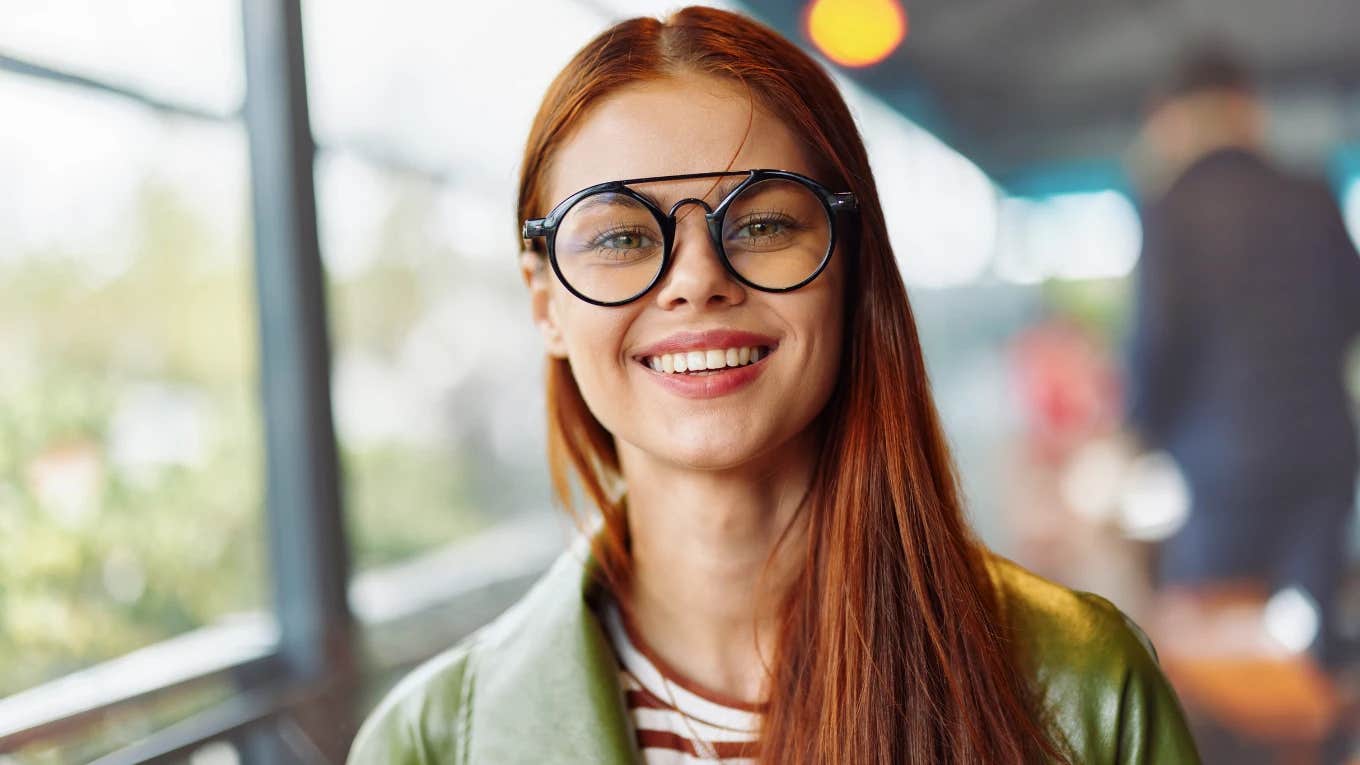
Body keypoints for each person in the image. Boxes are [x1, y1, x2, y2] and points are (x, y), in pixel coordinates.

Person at [349, 8, 1200, 763]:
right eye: (618, 238)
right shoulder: (422, 744)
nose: (695, 279)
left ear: (851, 265)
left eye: (760, 223)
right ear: (545, 304)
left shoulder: (1087, 690)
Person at [1127, 45, 1360, 670]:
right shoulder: (1313, 194)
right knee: (1309, 643)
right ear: (1246, 110)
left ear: (1175, 119)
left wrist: (1140, 432)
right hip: (1323, 458)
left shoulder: (1172, 209)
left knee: (1217, 653)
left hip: (1220, 470)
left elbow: (1156, 344)